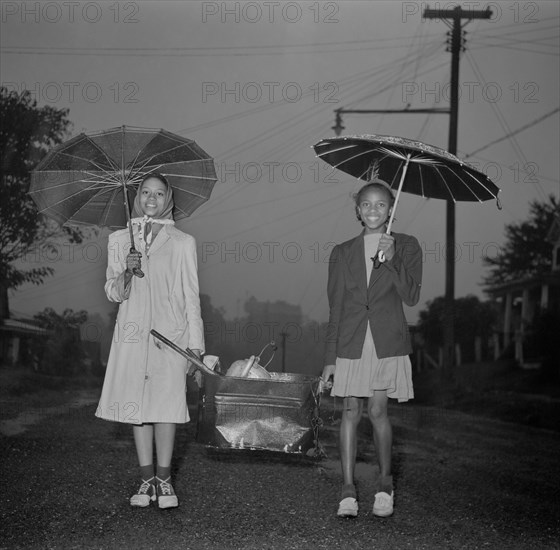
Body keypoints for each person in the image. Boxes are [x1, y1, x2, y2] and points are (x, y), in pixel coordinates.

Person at [96, 173, 205, 510]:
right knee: (137, 406)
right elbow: (113, 292)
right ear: (136, 196)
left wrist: (195, 346)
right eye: (145, 192)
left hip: (171, 336)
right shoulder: (118, 240)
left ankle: (165, 479)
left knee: (167, 408)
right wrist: (126, 271)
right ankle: (145, 478)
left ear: (168, 198)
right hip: (132, 334)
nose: (152, 198)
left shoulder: (183, 241)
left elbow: (191, 295)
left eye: (159, 193)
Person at [320, 179, 422, 519]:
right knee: (351, 411)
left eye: (381, 204)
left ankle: (384, 484)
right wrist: (330, 358)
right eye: (367, 204)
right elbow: (336, 307)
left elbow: (411, 296)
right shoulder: (342, 252)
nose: (374, 210)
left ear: (390, 209)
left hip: (385, 342)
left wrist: (392, 260)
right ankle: (348, 490)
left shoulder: (406, 245)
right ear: (357, 210)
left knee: (378, 412)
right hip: (350, 341)